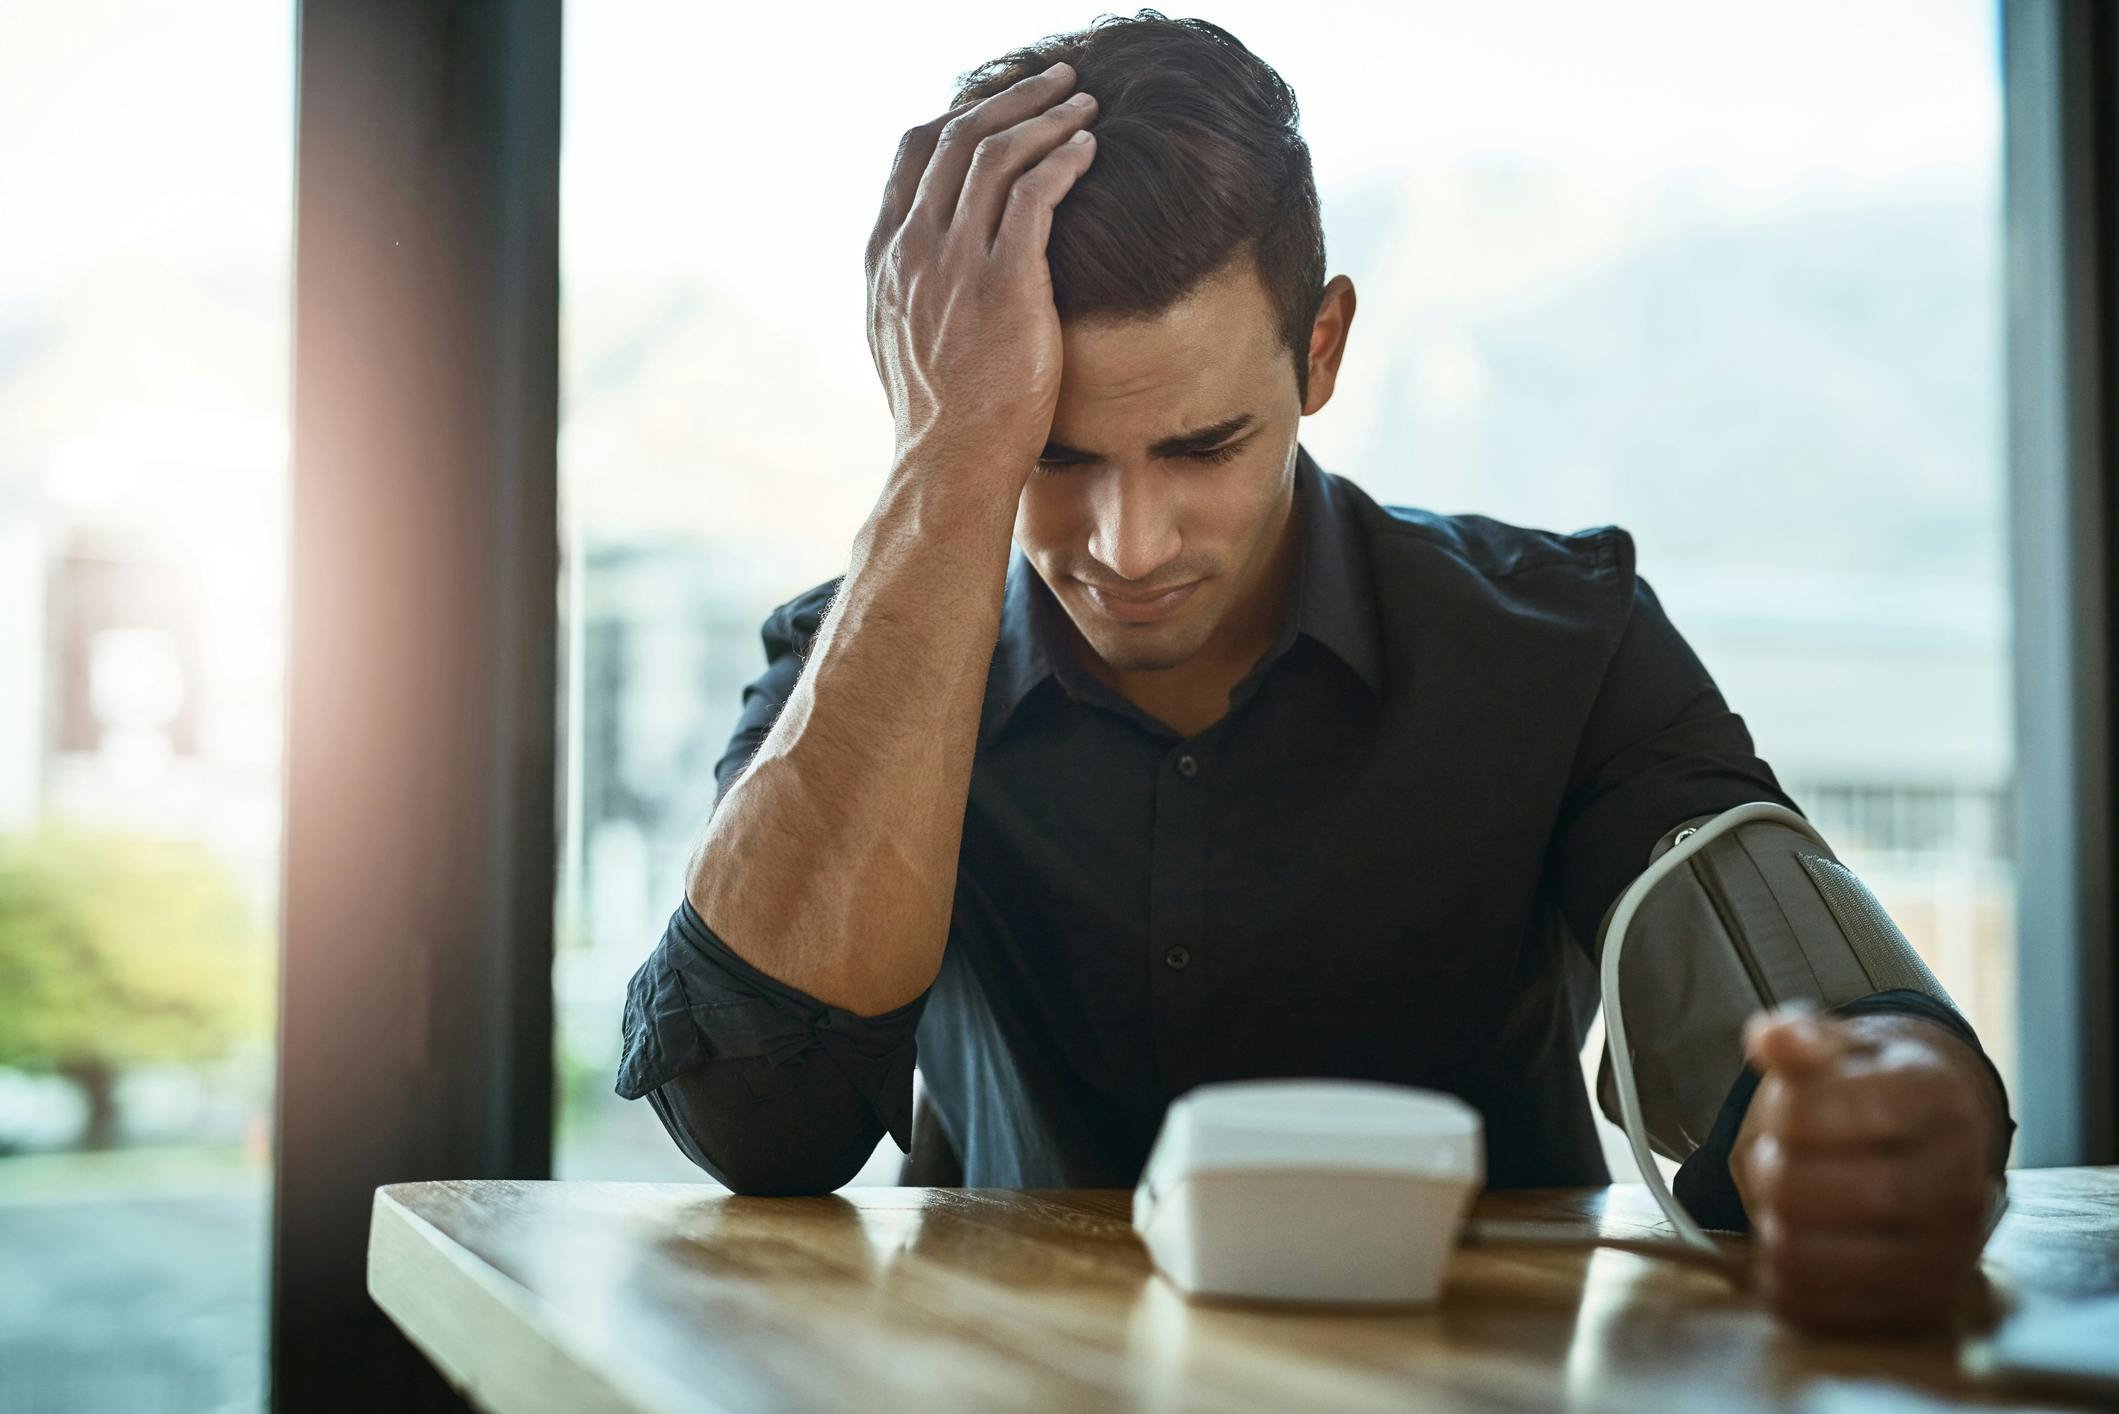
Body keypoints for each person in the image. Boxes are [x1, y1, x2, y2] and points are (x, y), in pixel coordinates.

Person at [616, 11, 2012, 1334]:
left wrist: (1891, 1112)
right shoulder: (848, 657)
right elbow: (753, 1115)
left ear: (1323, 348)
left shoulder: (1560, 641)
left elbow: (1816, 1010)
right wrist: (947, 461)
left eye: (1202, 448)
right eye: (1052, 454)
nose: (1129, 543)